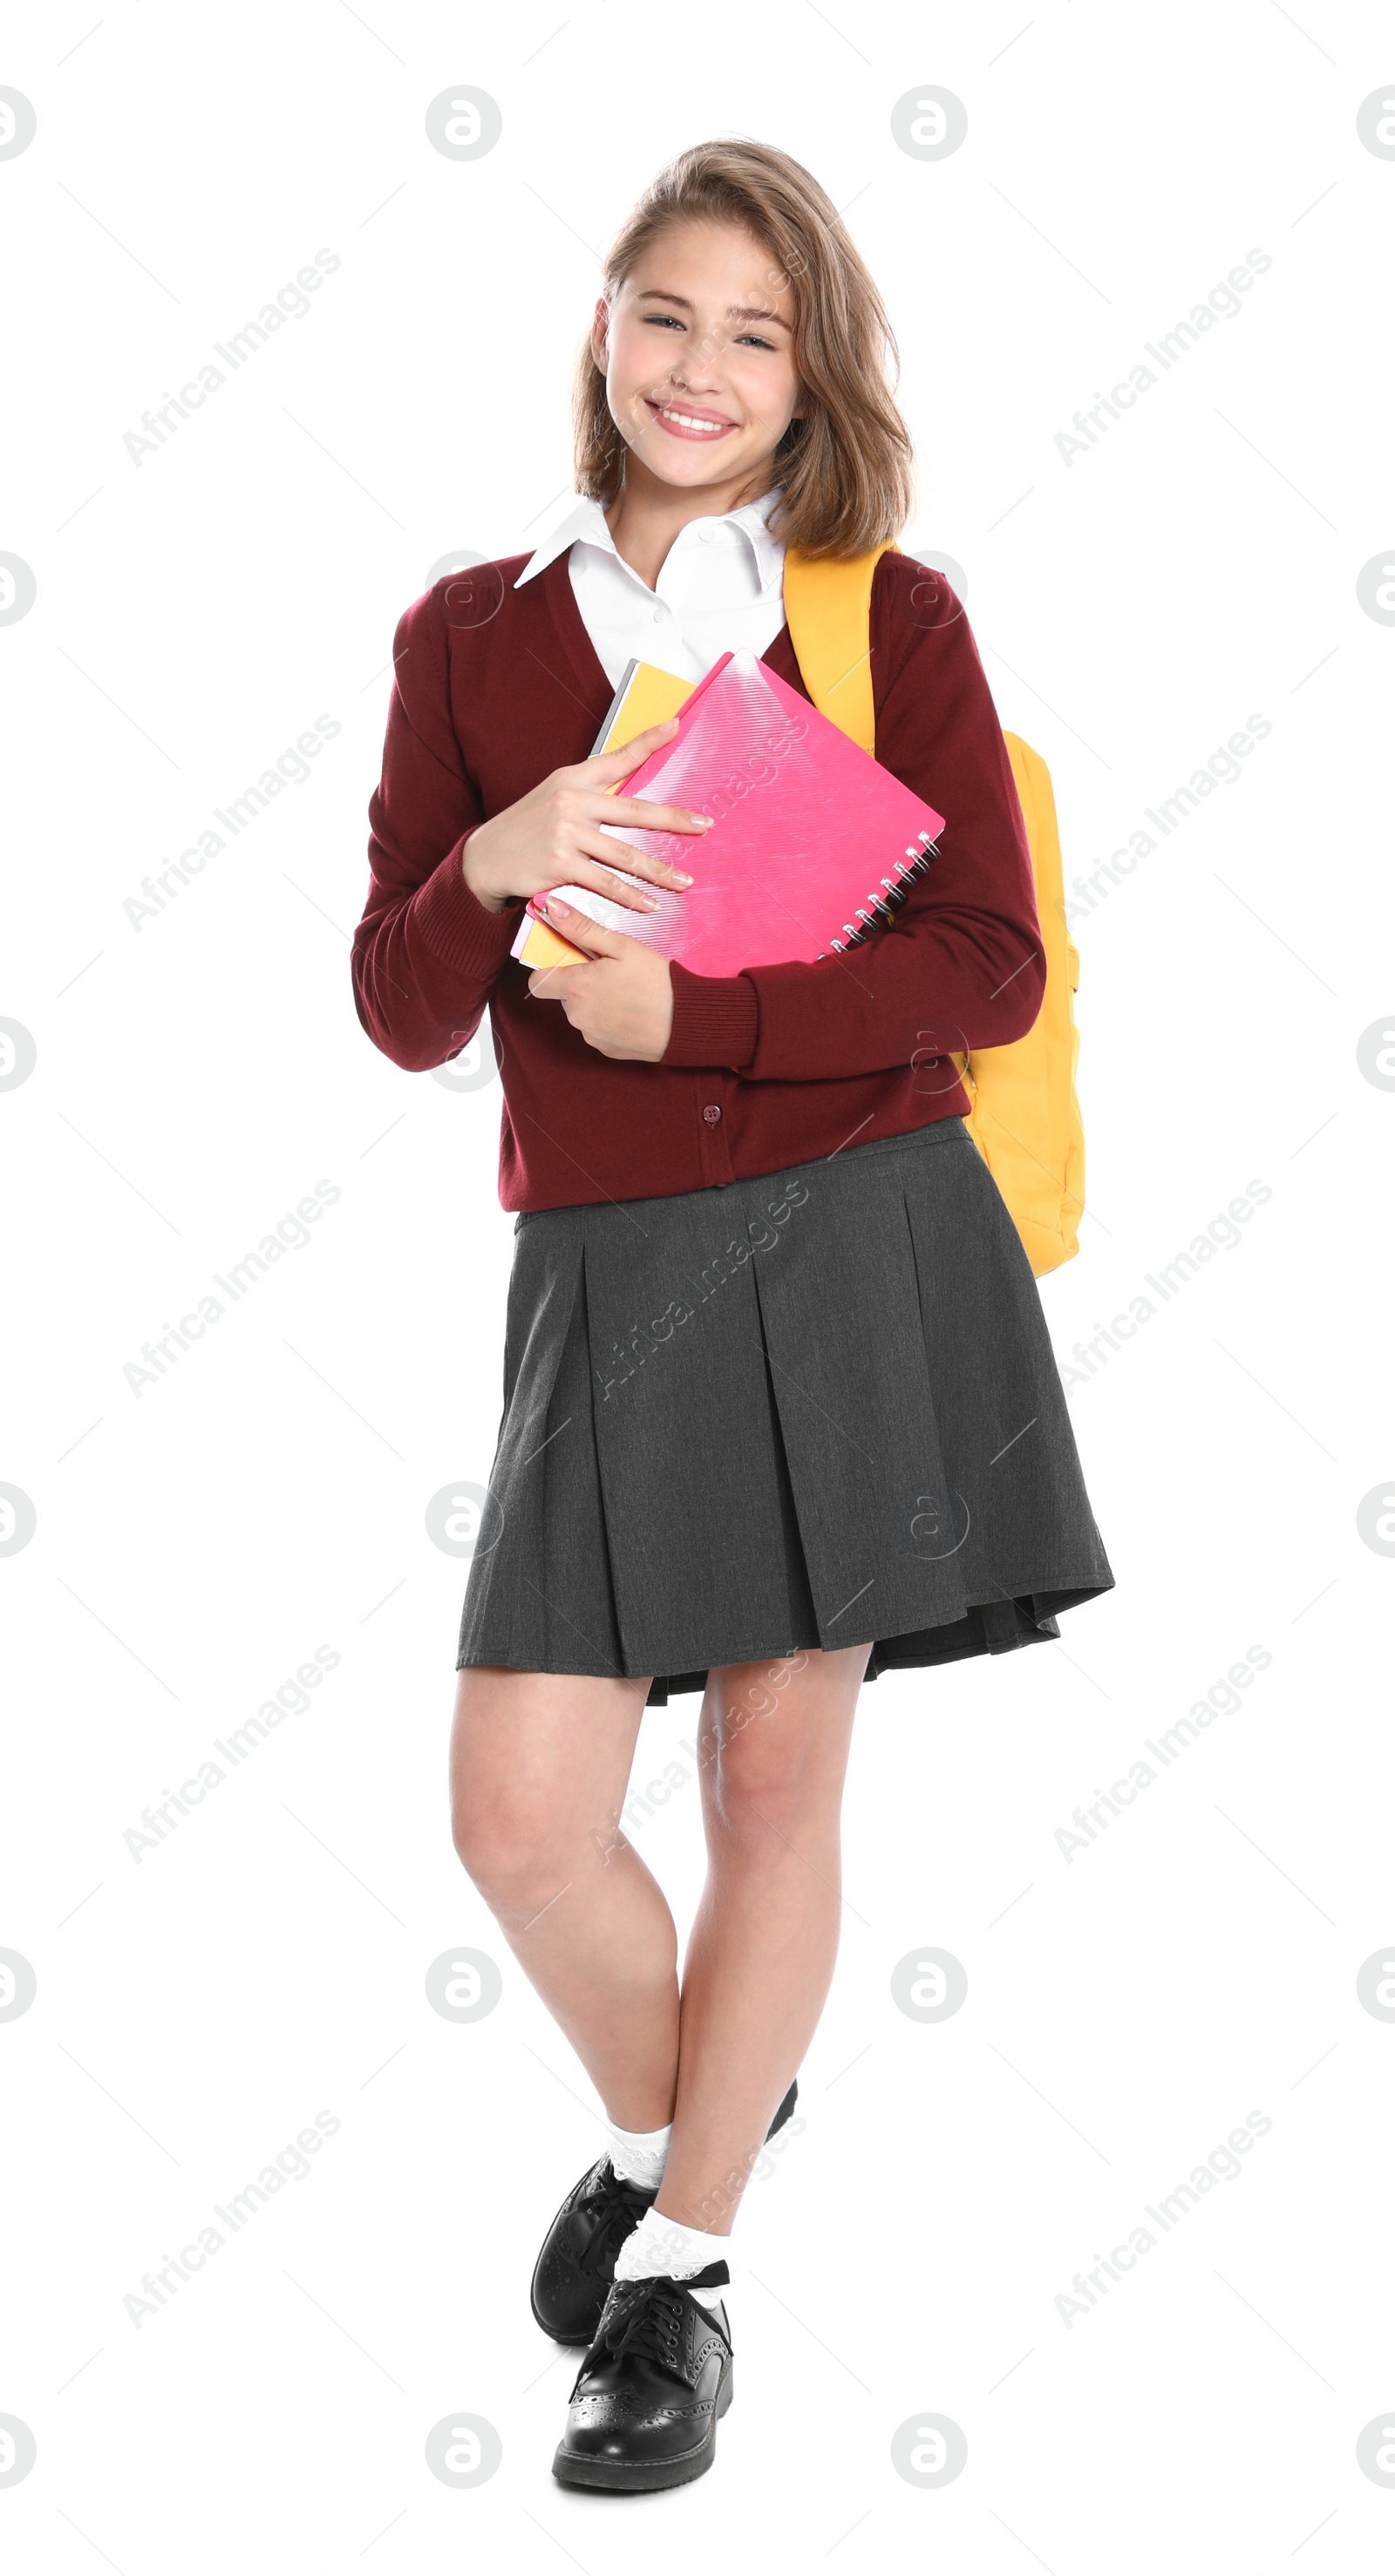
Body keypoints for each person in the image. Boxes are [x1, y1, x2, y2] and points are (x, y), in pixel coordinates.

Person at [353, 138, 1113, 2494]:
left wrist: (709, 1021)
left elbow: (985, 955)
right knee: (519, 1817)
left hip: (866, 1229)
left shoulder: (885, 614)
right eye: (664, 314)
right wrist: (496, 861)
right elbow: (397, 1005)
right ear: (603, 329)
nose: (701, 368)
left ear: (815, 372)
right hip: (606, 1274)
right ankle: (688, 2105)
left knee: (776, 1775)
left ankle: (678, 2278)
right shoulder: (472, 633)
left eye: (756, 333)